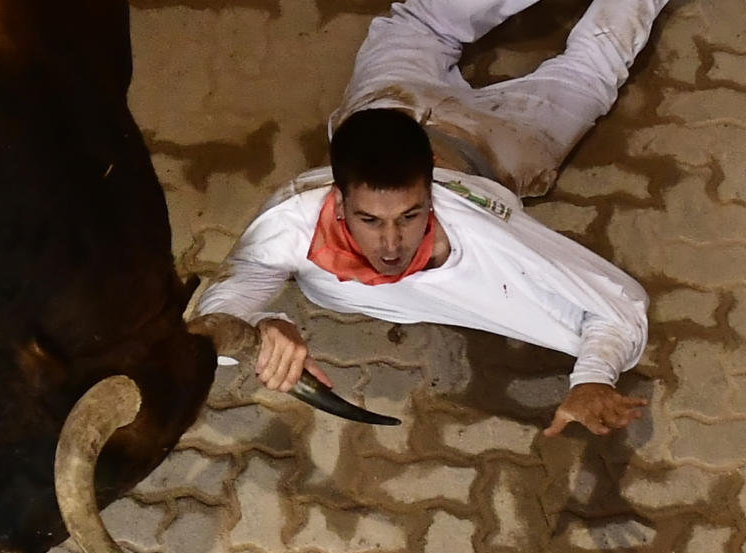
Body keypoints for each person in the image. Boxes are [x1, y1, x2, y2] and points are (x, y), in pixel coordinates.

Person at [197, 0, 669, 437]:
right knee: (421, 21)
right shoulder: (290, 218)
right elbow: (219, 312)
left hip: (502, 144)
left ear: (432, 196)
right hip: (388, 105)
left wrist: (592, 378)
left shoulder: (483, 236)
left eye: (410, 216)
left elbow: (618, 302)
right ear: (336, 202)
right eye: (369, 220)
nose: (391, 245)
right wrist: (261, 329)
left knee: (592, 72)